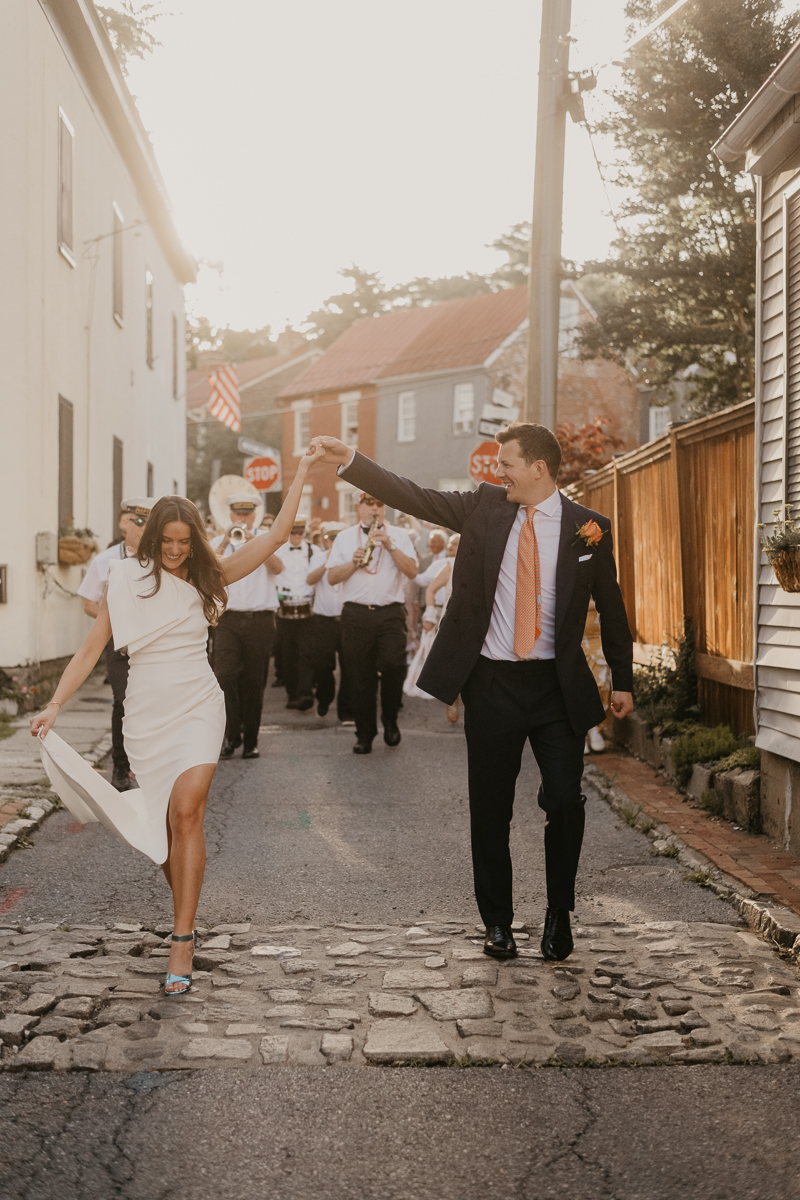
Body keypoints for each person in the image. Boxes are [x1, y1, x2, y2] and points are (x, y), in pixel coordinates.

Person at [311, 425, 634, 961]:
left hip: (557, 687)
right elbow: (413, 493)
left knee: (565, 801)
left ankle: (559, 913)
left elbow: (614, 608)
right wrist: (352, 459)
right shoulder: (484, 508)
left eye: (506, 462)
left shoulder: (589, 528)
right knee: (491, 809)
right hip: (493, 684)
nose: (496, 471)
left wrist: (622, 679)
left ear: (539, 468)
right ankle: (498, 923)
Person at [29, 446, 324, 996]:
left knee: (187, 811)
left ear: (194, 541)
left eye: (183, 543)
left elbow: (278, 535)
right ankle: (186, 904)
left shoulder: (212, 574)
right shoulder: (122, 578)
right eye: (166, 542)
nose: (174, 551)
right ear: (150, 537)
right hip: (145, 712)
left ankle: (182, 937)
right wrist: (54, 706)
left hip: (197, 703)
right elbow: (91, 649)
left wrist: (302, 471)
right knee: (165, 829)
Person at [325, 493, 418, 754]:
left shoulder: (399, 535)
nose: (374, 508)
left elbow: (412, 571)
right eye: (369, 504)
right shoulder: (344, 537)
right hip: (355, 614)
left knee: (393, 666)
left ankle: (390, 720)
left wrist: (390, 545)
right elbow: (332, 577)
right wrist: (352, 563)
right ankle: (365, 733)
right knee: (359, 676)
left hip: (389, 612)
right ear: (359, 507)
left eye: (379, 504)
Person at [78, 497, 153, 791]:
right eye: (138, 521)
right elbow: (87, 604)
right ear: (126, 524)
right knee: (123, 702)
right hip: (120, 644)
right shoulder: (105, 559)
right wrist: (117, 619)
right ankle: (120, 767)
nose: (143, 528)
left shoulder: (162, 558)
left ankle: (147, 764)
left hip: (152, 646)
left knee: (151, 705)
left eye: (149, 523)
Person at [210, 494, 283, 760]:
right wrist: (227, 541)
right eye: (238, 514)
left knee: (254, 681)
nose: (242, 518)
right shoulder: (218, 542)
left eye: (247, 514)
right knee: (225, 676)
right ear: (230, 516)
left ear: (254, 516)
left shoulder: (268, 538)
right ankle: (231, 736)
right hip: (228, 620)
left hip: (261, 620)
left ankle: (251, 740)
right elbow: (207, 571)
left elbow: (278, 568)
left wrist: (255, 543)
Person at [303, 522, 353, 720]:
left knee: (350, 666)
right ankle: (324, 697)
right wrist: (327, 563)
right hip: (323, 620)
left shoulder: (351, 559)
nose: (333, 543)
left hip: (347, 619)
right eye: (330, 539)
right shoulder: (317, 558)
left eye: (337, 539)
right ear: (325, 540)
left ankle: (347, 711)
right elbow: (310, 580)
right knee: (323, 666)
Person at [272, 521, 316, 710]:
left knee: (306, 653)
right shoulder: (277, 551)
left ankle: (306, 693)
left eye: (300, 533)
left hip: (307, 607)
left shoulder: (314, 551)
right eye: (293, 533)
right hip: (284, 606)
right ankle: (292, 694)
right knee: (288, 654)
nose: (297, 537)